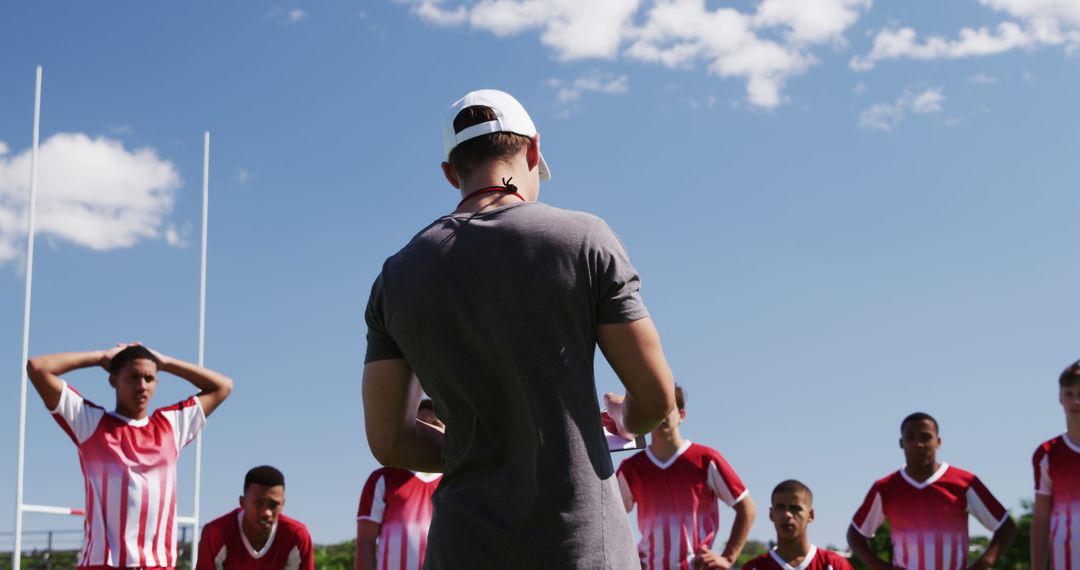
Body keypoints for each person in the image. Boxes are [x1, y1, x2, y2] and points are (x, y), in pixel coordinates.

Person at [361, 89, 676, 569]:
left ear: (451, 172)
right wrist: (625, 417)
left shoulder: (397, 275)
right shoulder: (584, 239)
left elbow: (390, 442)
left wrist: (481, 449)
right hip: (579, 545)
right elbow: (656, 400)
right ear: (532, 149)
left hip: (464, 548)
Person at [26, 343, 233, 569]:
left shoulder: (171, 426)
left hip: (158, 565)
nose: (142, 386)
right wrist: (101, 358)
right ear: (113, 379)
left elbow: (222, 386)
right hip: (102, 564)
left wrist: (165, 363)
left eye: (149, 378)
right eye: (133, 377)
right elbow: (38, 368)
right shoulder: (90, 423)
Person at [847, 412, 1017, 570]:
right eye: (910, 437)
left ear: (938, 441)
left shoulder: (964, 482)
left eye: (926, 437)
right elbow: (856, 534)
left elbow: (1005, 526)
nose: (918, 444)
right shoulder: (885, 488)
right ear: (901, 443)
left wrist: (983, 563)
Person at [617, 385, 757, 569]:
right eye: (655, 409)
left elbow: (747, 508)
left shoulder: (705, 459)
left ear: (681, 415)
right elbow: (609, 517)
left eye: (667, 408)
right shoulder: (631, 468)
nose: (661, 415)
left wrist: (728, 558)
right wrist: (626, 558)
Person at [355, 399, 444, 570]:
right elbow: (365, 544)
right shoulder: (382, 479)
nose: (428, 431)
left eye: (435, 424)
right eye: (422, 425)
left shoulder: (457, 481)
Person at [197, 465, 313, 570]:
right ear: (242, 503)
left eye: (273, 505)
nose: (266, 513)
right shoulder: (217, 533)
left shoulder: (296, 537)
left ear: (283, 504)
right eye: (259, 503)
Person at [1031, 359, 1080, 570]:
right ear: (1060, 398)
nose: (1076, 402)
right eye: (1069, 394)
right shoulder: (1047, 454)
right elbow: (1041, 519)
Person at [741, 480, 852, 570]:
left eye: (795, 508)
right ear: (771, 514)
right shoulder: (753, 568)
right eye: (780, 507)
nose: (787, 514)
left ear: (810, 515)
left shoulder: (834, 565)